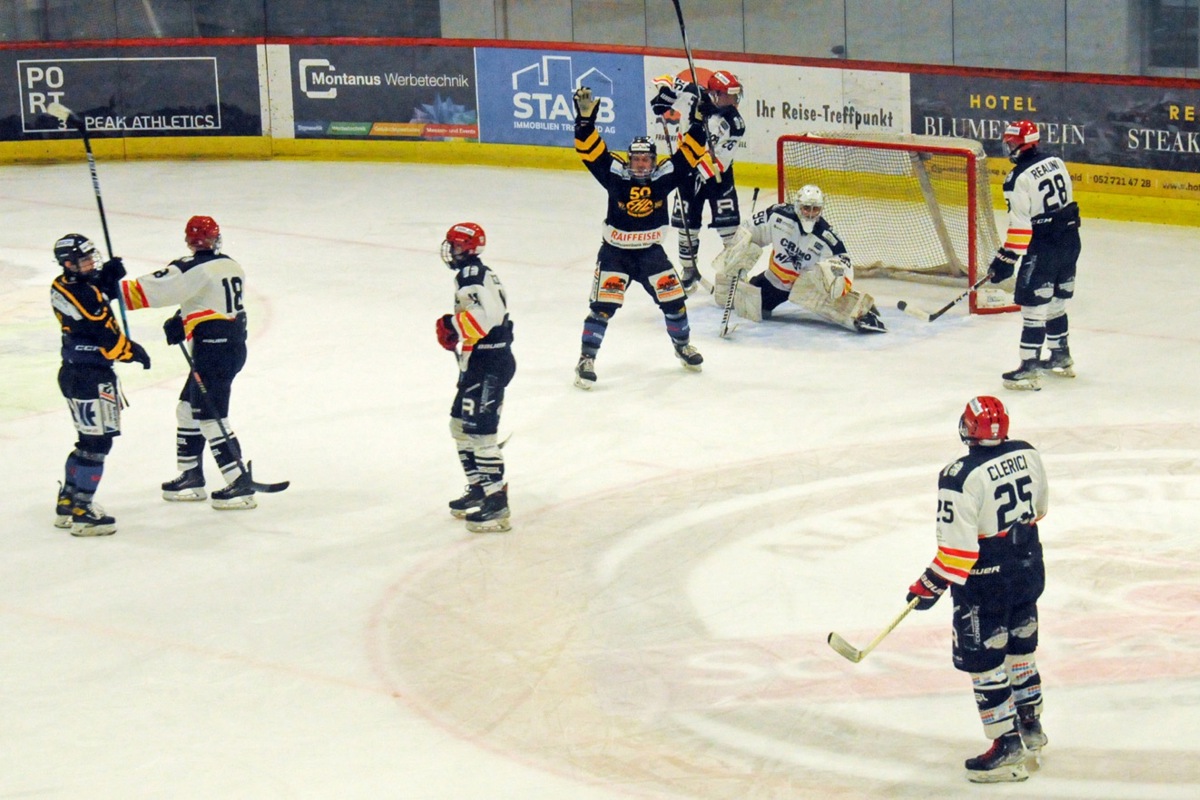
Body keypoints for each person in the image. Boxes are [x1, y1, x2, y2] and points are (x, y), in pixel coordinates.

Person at [905, 396, 1049, 783]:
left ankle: (1006, 745)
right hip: (1029, 567)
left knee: (984, 660)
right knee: (1020, 646)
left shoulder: (959, 475)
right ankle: (1030, 724)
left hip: (987, 582)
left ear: (968, 429)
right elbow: (1039, 510)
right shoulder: (1028, 453)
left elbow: (959, 552)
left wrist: (929, 585)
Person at [571, 85, 709, 389]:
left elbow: (690, 155)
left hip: (650, 254)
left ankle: (682, 346)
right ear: (629, 159)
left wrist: (698, 123)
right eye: (636, 159)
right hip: (615, 253)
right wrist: (584, 122)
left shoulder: (665, 175)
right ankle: (586, 359)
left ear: (653, 160)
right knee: (602, 308)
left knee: (674, 302)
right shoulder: (615, 175)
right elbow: (590, 152)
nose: (641, 164)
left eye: (646, 159)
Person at [118, 215, 257, 510]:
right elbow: (210, 303)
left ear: (188, 240)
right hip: (230, 347)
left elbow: (140, 294)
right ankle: (191, 475)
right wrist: (182, 320)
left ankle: (240, 482)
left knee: (210, 416)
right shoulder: (231, 264)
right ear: (216, 238)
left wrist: (105, 285)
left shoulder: (191, 268)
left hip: (213, 352)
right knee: (187, 410)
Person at [50, 233, 151, 536]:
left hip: (73, 372)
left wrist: (105, 281)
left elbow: (92, 295)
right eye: (84, 260)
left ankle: (68, 501)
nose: (91, 263)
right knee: (98, 443)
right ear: (68, 263)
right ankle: (83, 511)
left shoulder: (61, 284)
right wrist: (133, 351)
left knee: (86, 440)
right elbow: (107, 338)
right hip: (93, 376)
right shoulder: (83, 294)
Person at [711, 184, 886, 333]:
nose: (810, 214)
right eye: (806, 208)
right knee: (744, 305)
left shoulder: (826, 237)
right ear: (797, 206)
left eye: (815, 209)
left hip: (805, 287)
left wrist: (839, 281)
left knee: (831, 294)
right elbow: (750, 230)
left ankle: (860, 310)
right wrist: (742, 250)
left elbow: (844, 262)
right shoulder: (778, 216)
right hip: (774, 281)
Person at [988, 119, 1081, 391]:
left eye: (1013, 143)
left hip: (1044, 245)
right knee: (1056, 302)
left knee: (1033, 307)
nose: (1009, 147)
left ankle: (1029, 365)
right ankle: (1060, 354)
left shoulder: (1017, 179)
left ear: (1027, 143)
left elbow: (1021, 225)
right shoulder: (1056, 160)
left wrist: (1007, 259)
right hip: (1070, 239)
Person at [436, 222, 516, 533]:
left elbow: (488, 318)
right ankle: (479, 487)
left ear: (467, 249)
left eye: (455, 246)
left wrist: (452, 326)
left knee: (481, 434)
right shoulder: (473, 273)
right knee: (459, 425)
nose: (450, 252)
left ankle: (497, 500)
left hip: (490, 363)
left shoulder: (471, 276)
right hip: (481, 361)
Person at [651, 69, 747, 293]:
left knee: (729, 228)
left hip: (717, 179)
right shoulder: (694, 96)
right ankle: (688, 271)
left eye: (735, 95)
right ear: (714, 94)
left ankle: (736, 273)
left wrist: (698, 174)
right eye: (729, 95)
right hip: (686, 171)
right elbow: (661, 79)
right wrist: (663, 95)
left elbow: (719, 161)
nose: (734, 100)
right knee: (687, 227)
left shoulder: (735, 124)